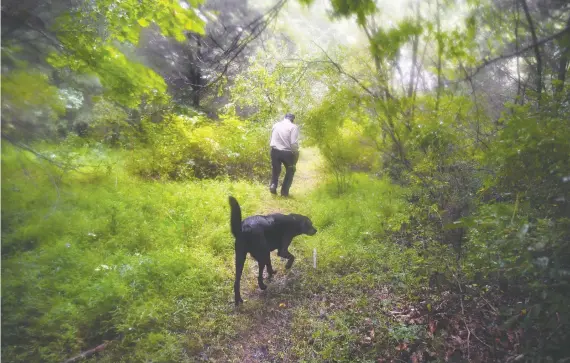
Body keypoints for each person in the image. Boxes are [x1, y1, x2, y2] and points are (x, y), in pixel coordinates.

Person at [269, 113, 299, 197]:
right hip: (287, 152)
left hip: (274, 151)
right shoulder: (293, 127)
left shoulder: (276, 125)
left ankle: (273, 186)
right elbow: (293, 143)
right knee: (291, 170)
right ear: (292, 119)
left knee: (276, 170)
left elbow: (271, 139)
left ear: (284, 118)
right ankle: (284, 192)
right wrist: (296, 153)